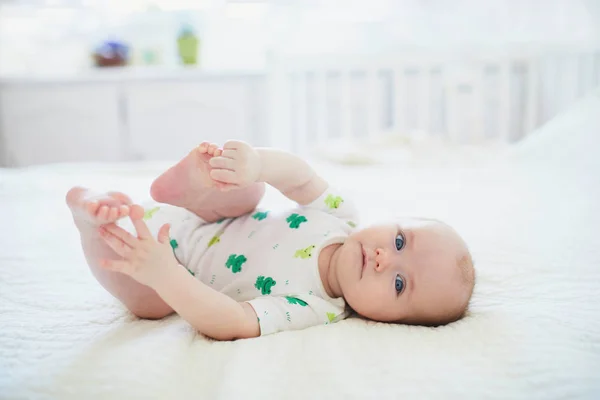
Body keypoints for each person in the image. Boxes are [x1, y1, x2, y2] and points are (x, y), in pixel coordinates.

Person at [66, 141, 475, 340]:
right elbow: (299, 177)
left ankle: (90, 217)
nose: (386, 258)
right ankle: (199, 186)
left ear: (387, 321)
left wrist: (165, 275)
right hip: (208, 218)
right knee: (250, 192)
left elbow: (232, 321)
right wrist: (259, 164)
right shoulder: (342, 216)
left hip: (171, 261)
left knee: (150, 304)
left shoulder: (315, 307)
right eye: (400, 241)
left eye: (399, 284)